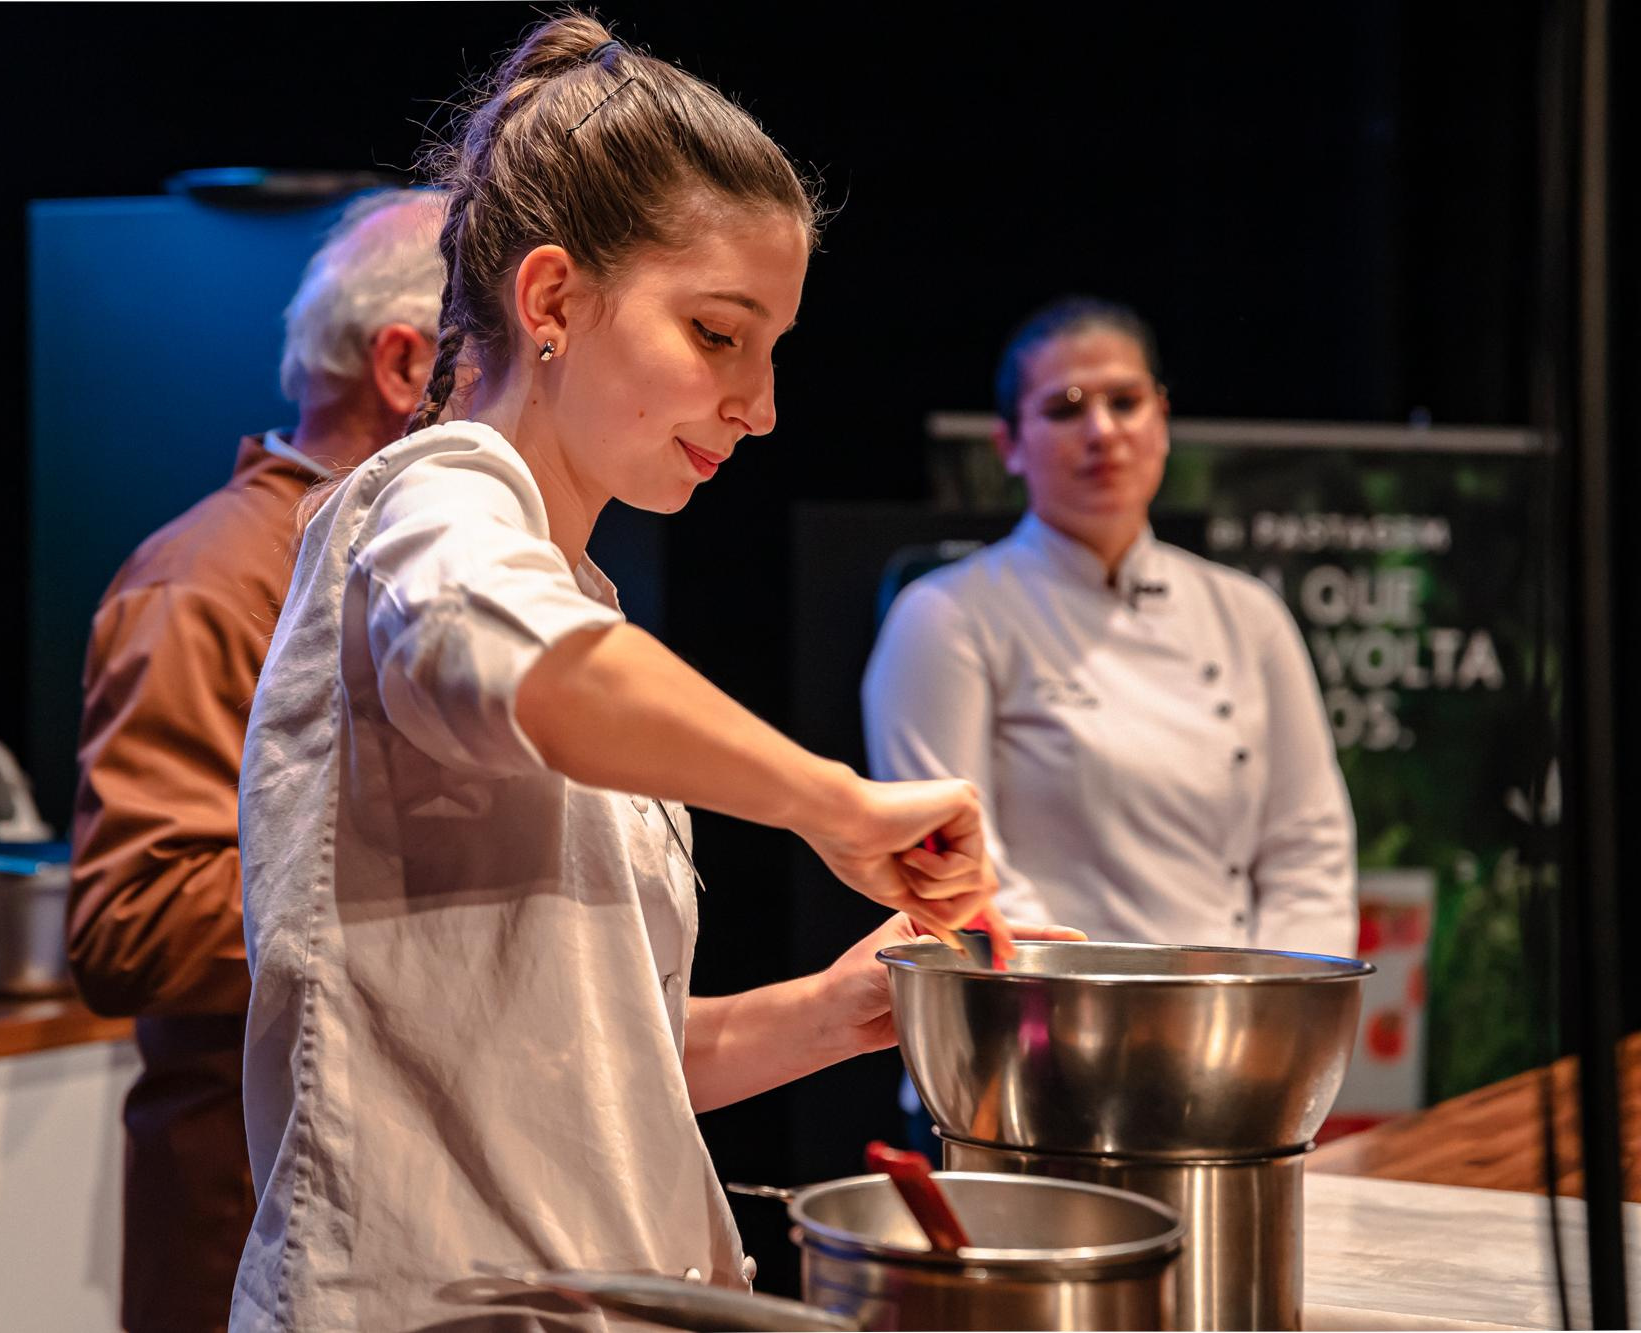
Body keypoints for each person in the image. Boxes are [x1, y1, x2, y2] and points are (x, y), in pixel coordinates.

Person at [230, 16, 1042, 1332]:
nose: (762, 404)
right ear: (549, 300)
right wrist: (836, 802)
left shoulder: (573, 585)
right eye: (720, 334)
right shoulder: (421, 508)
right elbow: (551, 677)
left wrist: (853, 1006)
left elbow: (607, 1066)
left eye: (772, 348)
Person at [67, 188, 445, 1333]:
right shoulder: (208, 577)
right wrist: (437, 890)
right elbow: (126, 922)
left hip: (399, 1227)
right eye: (500, 363)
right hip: (253, 1245)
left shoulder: (421, 570)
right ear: (401, 363)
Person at [863, 296, 1357, 956]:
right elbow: (958, 878)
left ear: (1162, 421)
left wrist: (1278, 1011)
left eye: (1125, 402)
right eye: (1066, 408)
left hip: (1231, 1028)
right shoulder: (946, 615)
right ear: (1009, 445)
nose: (1102, 430)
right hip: (1031, 1019)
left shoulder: (1247, 615)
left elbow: (1310, 855)